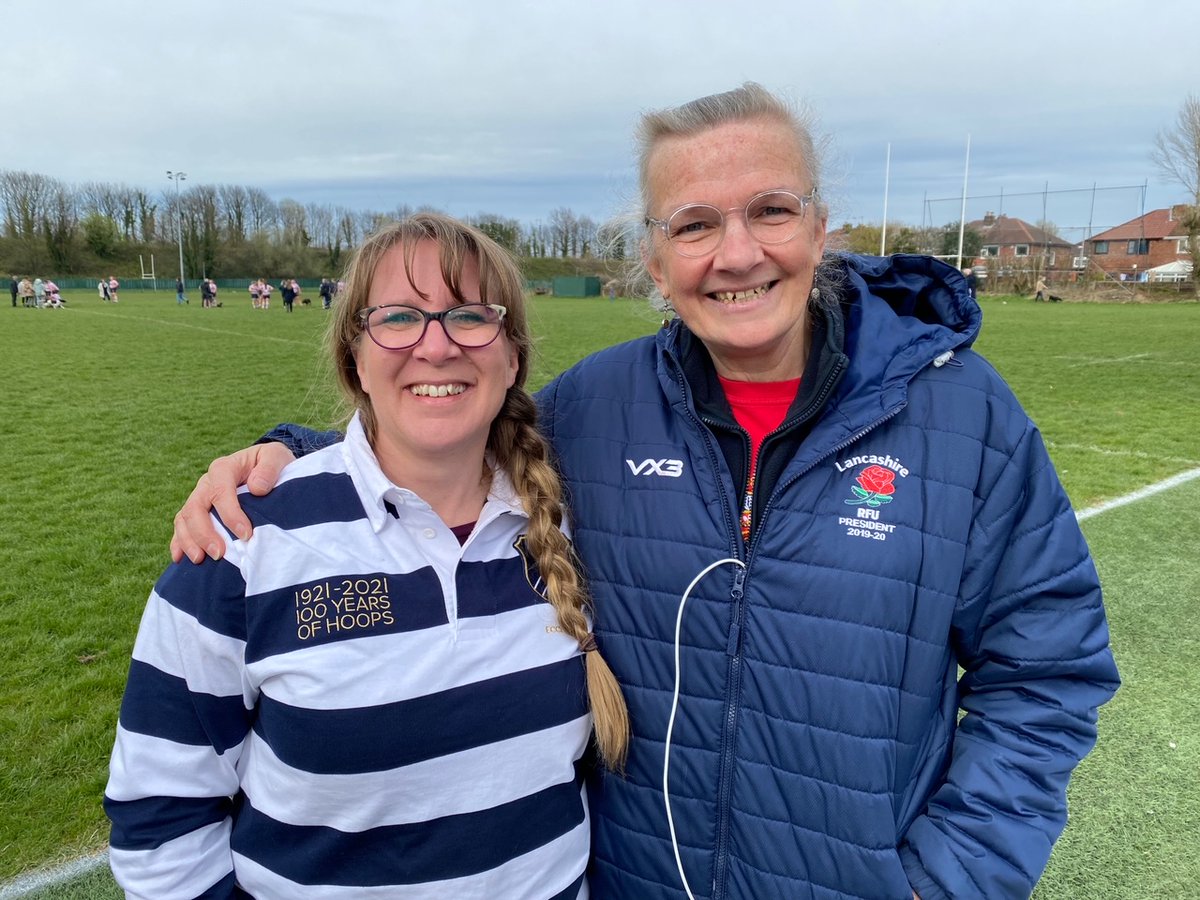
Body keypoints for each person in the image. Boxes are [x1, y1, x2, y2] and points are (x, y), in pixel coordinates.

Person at [172, 83, 1119, 899]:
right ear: (656, 259)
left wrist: (950, 876)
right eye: (696, 224)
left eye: (772, 210)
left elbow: (1047, 671)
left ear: (822, 229)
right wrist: (288, 457)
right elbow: (451, 427)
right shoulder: (599, 407)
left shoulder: (964, 417)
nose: (737, 253)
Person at [108, 213, 629, 898]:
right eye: (399, 318)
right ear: (355, 354)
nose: (436, 347)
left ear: (513, 357)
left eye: (470, 316)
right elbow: (159, 821)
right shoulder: (241, 543)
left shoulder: (576, 520)